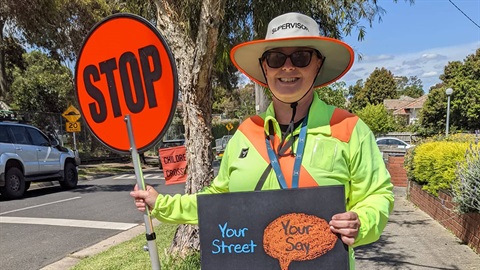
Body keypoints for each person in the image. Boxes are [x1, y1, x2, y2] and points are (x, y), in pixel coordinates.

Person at [131, 12, 394, 269]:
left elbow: (377, 195)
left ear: (318, 64)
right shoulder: (246, 133)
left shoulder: (348, 128)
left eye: (301, 57)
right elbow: (218, 199)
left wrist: (362, 221)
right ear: (265, 67)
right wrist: (162, 204)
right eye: (276, 58)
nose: (287, 67)